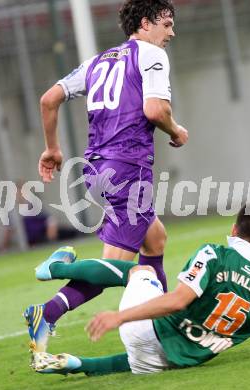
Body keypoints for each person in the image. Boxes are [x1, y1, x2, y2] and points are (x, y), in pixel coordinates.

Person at [25, 0, 188, 352]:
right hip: (128, 167)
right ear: (145, 23)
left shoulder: (97, 62)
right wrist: (176, 130)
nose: (171, 32)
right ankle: (53, 286)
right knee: (115, 268)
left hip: (97, 166)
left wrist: (52, 149)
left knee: (155, 239)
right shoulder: (151, 55)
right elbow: (155, 109)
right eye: (167, 23)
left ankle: (156, 323)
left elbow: (48, 99)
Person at [28, 202, 250, 376]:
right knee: (155, 242)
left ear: (234, 230)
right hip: (184, 359)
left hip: (142, 329)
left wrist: (119, 317)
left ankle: (56, 269)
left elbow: (178, 301)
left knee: (143, 270)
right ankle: (77, 365)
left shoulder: (214, 254)